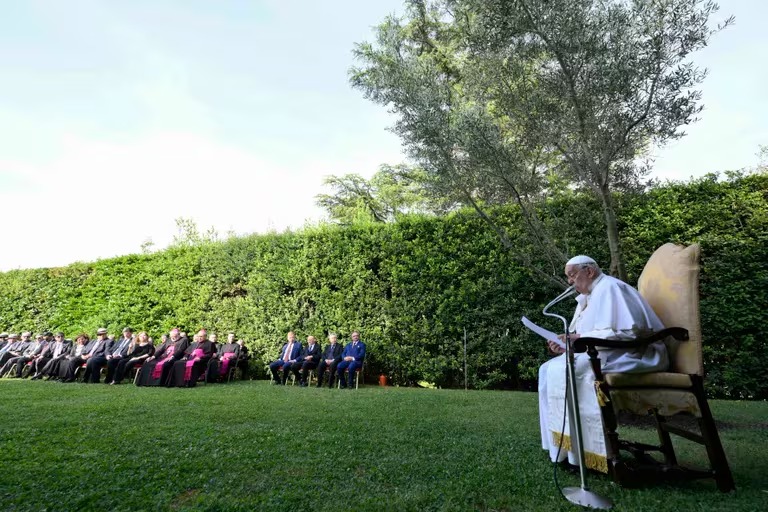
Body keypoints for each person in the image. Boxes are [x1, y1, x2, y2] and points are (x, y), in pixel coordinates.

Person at [538, 255, 668, 473]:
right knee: (547, 369)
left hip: (634, 354)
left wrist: (577, 339)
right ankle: (564, 449)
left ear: (589, 271)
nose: (570, 282)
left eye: (572, 275)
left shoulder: (611, 288)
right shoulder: (588, 298)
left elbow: (628, 332)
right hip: (605, 354)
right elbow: (584, 337)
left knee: (573, 371)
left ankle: (592, 454)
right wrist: (566, 345)